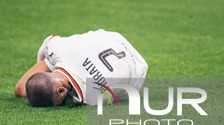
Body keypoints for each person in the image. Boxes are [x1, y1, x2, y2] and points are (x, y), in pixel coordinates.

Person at [14, 29, 148, 107]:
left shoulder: (92, 98)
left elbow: (20, 89)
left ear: (60, 90)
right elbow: (48, 42)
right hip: (112, 38)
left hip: (136, 68)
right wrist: (46, 68)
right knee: (55, 58)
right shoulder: (58, 49)